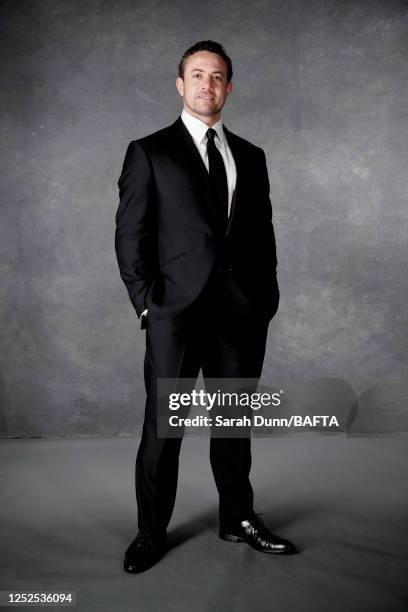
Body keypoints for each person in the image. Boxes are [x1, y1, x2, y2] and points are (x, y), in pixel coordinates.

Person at [115, 40, 297, 573]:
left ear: (229, 87)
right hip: (175, 315)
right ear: (180, 84)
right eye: (197, 75)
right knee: (163, 429)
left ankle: (237, 518)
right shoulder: (149, 152)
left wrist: (266, 299)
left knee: (232, 425)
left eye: (217, 77)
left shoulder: (252, 155)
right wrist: (149, 306)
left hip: (239, 317)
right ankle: (151, 533)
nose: (206, 85)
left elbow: (262, 236)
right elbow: (131, 236)